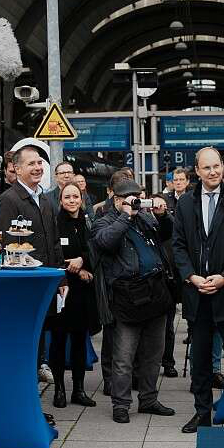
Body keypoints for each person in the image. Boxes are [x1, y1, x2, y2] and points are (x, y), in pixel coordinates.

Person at [172, 147, 224, 432]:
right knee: (200, 359)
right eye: (206, 168)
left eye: (216, 166)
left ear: (223, 167)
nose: (213, 172)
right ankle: (201, 412)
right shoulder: (185, 203)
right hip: (198, 293)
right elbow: (178, 246)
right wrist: (191, 277)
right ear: (197, 171)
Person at [92, 179, 175, 423]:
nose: (136, 202)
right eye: (130, 198)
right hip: (127, 296)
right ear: (117, 200)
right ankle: (121, 404)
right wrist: (125, 216)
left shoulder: (146, 218)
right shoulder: (104, 221)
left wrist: (163, 215)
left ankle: (148, 399)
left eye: (138, 197)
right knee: (124, 356)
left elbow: (168, 234)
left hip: (155, 292)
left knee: (153, 354)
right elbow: (106, 242)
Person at [0, 145, 67, 386]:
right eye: (31, 164)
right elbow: (4, 244)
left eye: (39, 163)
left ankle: (31, 404)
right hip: (22, 287)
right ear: (16, 168)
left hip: (44, 284)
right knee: (24, 346)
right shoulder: (8, 200)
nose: (38, 167)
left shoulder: (45, 200)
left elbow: (54, 242)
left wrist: (61, 278)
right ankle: (20, 397)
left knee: (38, 343)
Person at [51, 183, 99, 408]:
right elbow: (54, 255)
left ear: (81, 199)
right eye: (67, 197)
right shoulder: (55, 224)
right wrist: (78, 268)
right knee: (59, 341)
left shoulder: (89, 223)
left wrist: (84, 262)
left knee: (80, 340)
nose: (72, 200)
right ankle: (59, 389)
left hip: (83, 292)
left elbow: (96, 250)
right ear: (60, 200)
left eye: (75, 196)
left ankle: (78, 389)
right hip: (62, 290)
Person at [151, 192, 178, 378]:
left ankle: (168, 362)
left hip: (168, 282)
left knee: (168, 327)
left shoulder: (168, 223)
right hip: (147, 283)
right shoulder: (142, 221)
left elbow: (171, 228)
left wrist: (163, 214)